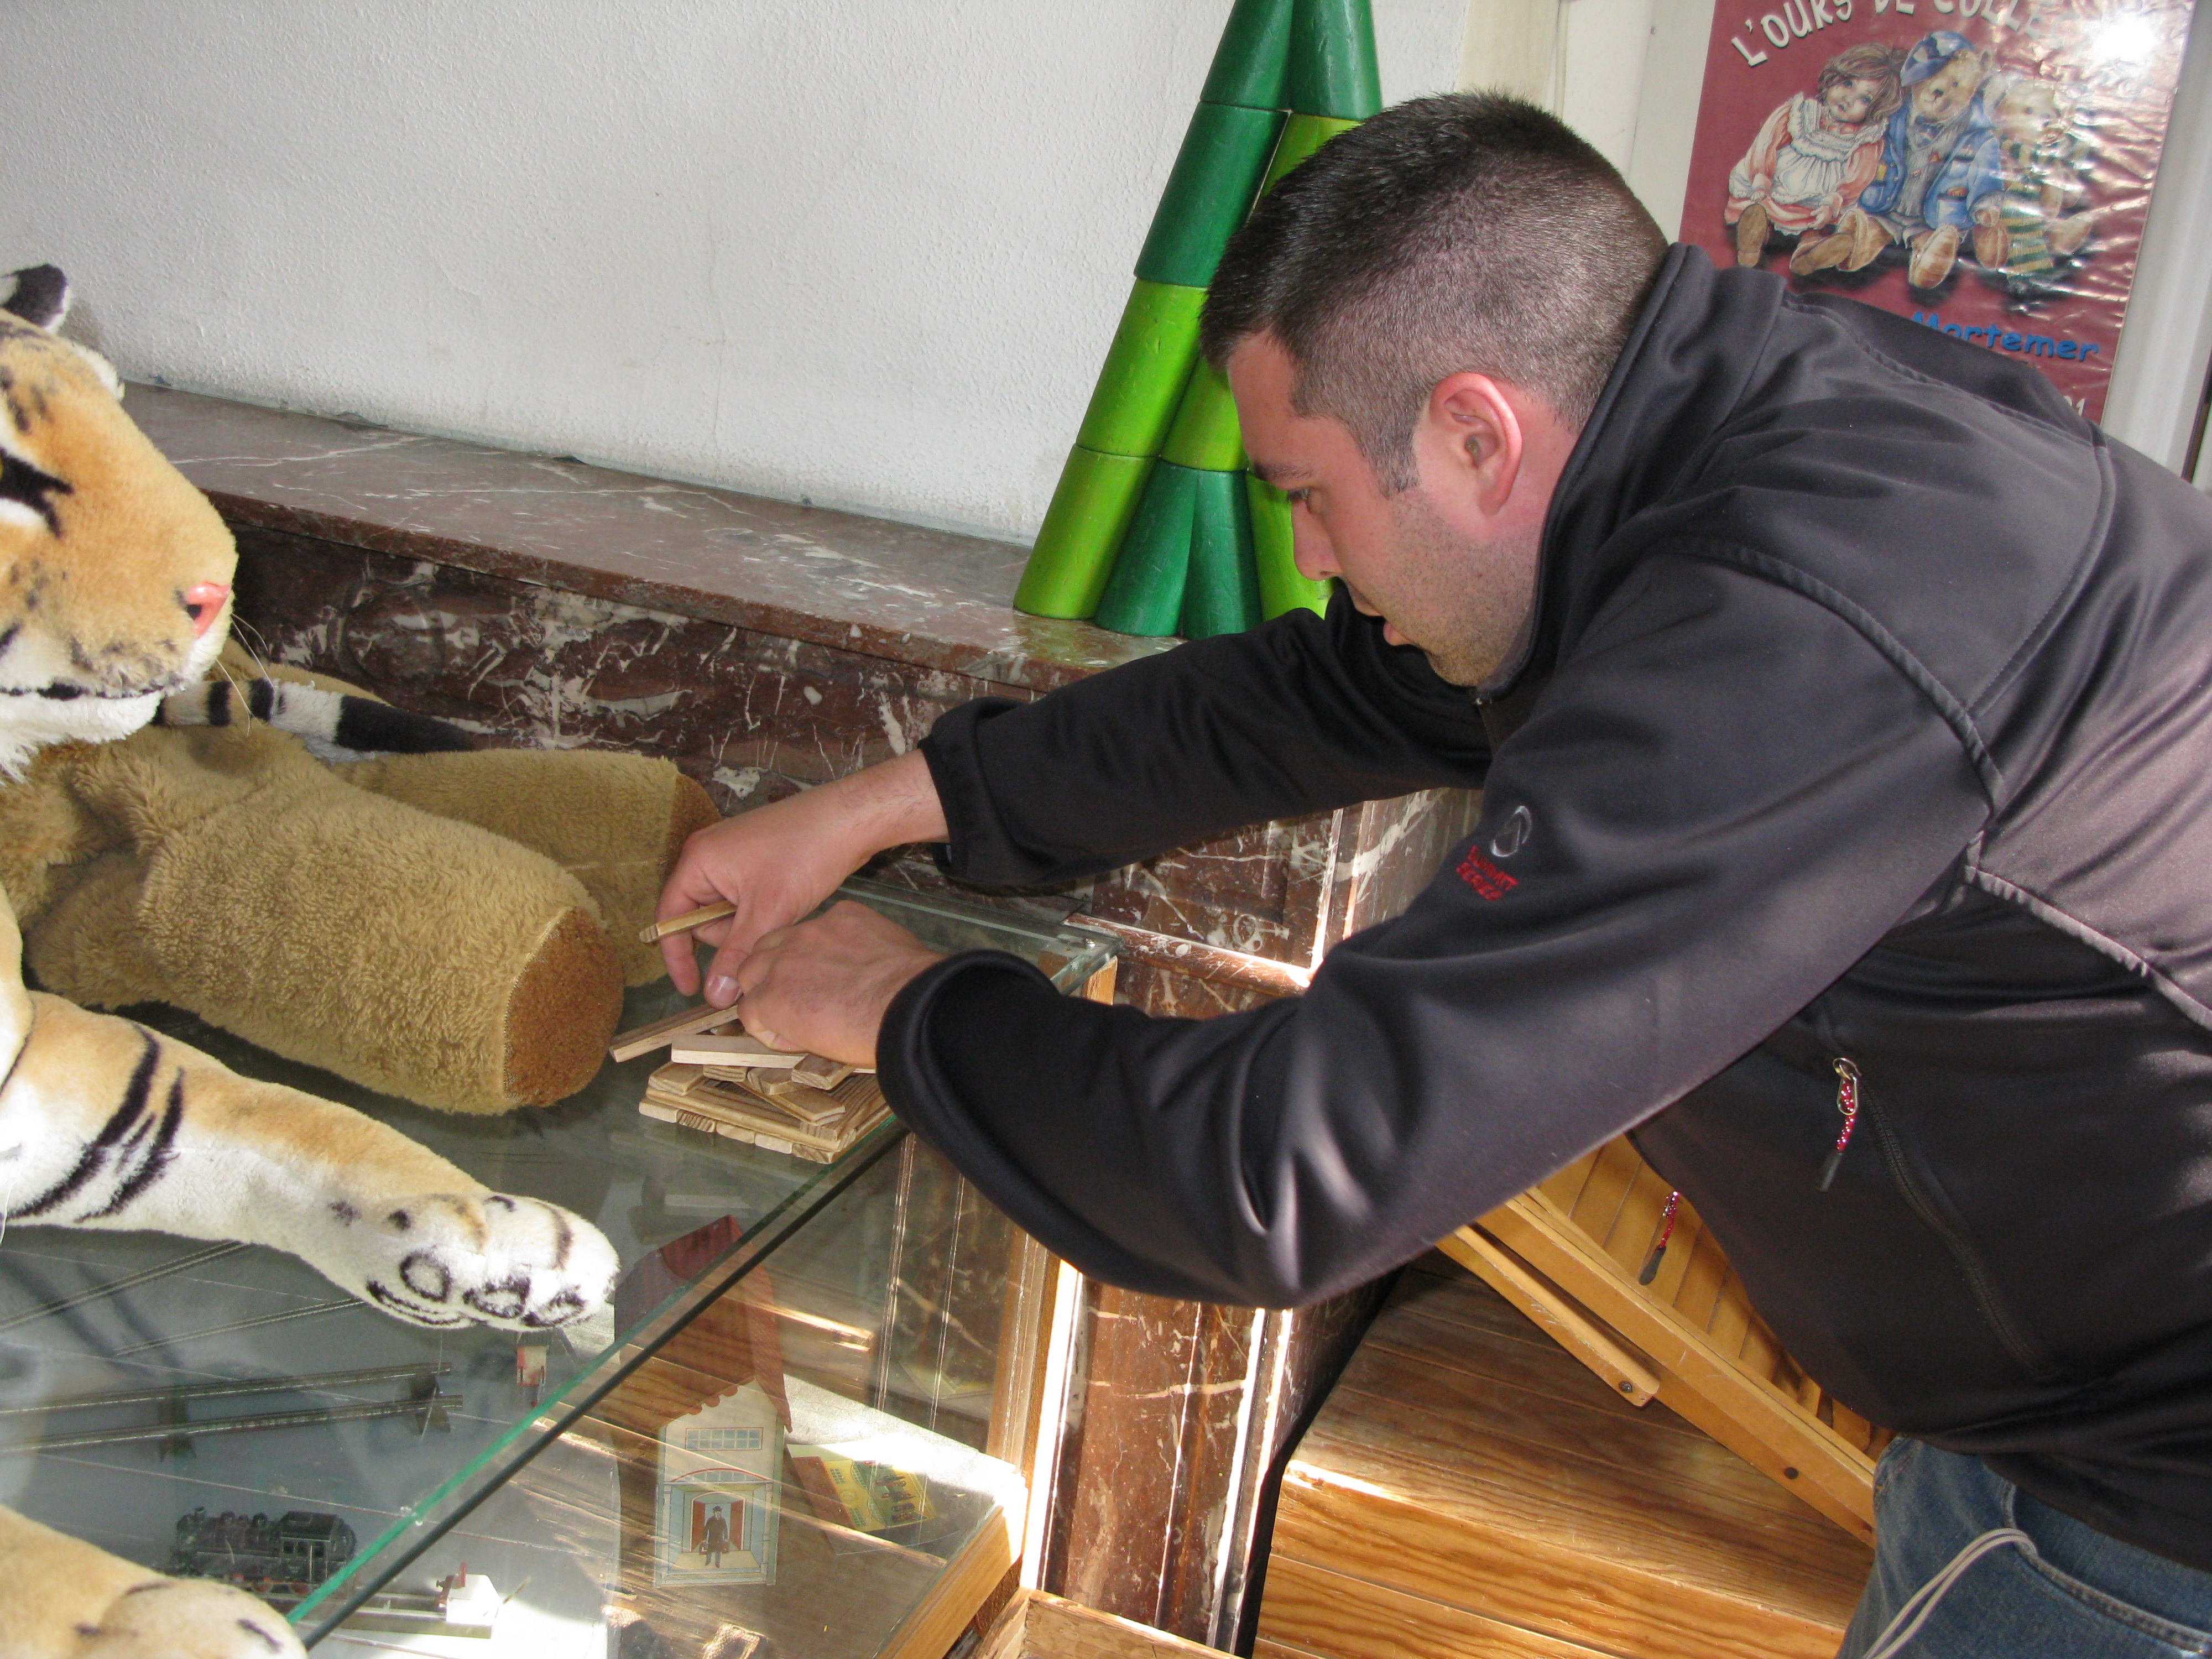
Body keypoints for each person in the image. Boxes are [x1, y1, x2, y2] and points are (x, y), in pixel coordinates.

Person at [657, 93, 2212, 1656]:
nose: (1311, 558)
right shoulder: (1713, 432)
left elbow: (1291, 1169)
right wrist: (881, 807)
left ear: (1476, 433)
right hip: (2037, 1406)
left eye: (1309, 496)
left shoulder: (1799, 638)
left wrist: (900, 1006)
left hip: (2146, 1524)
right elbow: (1328, 691)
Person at [1725, 41, 1905, 269]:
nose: (1849, 99)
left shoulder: (1864, 139)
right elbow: (1767, 144)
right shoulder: (1801, 114)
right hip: (1776, 189)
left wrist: (1833, 203)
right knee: (1759, 208)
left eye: (1865, 99)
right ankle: (1753, 239)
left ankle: (1810, 254)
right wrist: (1762, 179)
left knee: (1818, 229)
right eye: (1848, 84)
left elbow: (1859, 176)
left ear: (1875, 109)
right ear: (1834, 77)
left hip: (1818, 205)